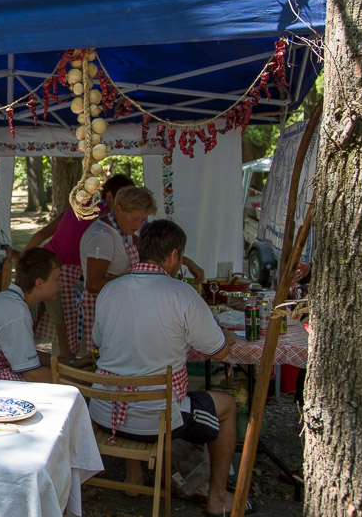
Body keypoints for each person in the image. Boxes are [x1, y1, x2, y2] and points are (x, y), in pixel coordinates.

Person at [90, 220, 254, 516]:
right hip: (155, 421)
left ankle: (133, 477)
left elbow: (100, 342)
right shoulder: (182, 294)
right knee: (227, 406)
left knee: (130, 375)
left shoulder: (110, 290)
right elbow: (218, 351)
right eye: (181, 257)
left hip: (104, 411)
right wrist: (226, 337)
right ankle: (218, 498)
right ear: (174, 255)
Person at [23, 174, 135, 359]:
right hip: (59, 272)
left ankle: (28, 356)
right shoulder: (105, 218)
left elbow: (42, 234)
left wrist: (25, 260)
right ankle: (61, 365)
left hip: (43, 265)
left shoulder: (77, 207)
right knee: (64, 328)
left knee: (37, 320)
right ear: (109, 197)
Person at [0, 248, 91, 382]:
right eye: (57, 278)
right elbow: (33, 375)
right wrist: (83, 380)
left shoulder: (11, 300)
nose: (61, 284)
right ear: (39, 283)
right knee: (28, 382)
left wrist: (72, 362)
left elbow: (28, 354)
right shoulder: (17, 311)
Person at [75, 186, 157, 355]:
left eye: (143, 220)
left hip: (119, 306)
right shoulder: (102, 236)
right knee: (107, 357)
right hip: (103, 309)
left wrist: (185, 261)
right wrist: (134, 280)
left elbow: (148, 252)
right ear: (118, 209)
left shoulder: (124, 231)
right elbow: (93, 284)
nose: (138, 225)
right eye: (135, 218)